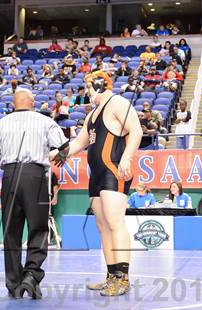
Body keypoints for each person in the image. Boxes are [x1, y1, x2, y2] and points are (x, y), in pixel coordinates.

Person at [51, 71, 142, 296]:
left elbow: (137, 130)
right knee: (102, 226)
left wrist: (127, 158)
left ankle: (123, 279)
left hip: (113, 169)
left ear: (101, 85)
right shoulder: (93, 114)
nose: (87, 92)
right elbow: (80, 142)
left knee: (115, 222)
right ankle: (111, 276)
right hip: (97, 175)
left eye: (89, 88)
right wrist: (60, 153)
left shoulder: (117, 102)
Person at [0, 88, 69, 299]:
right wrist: (60, 155)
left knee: (11, 232)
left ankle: (14, 284)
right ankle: (31, 276)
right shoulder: (44, 121)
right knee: (39, 229)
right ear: (32, 102)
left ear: (14, 103)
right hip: (36, 177)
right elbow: (64, 145)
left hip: (10, 176)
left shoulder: (0, 123)